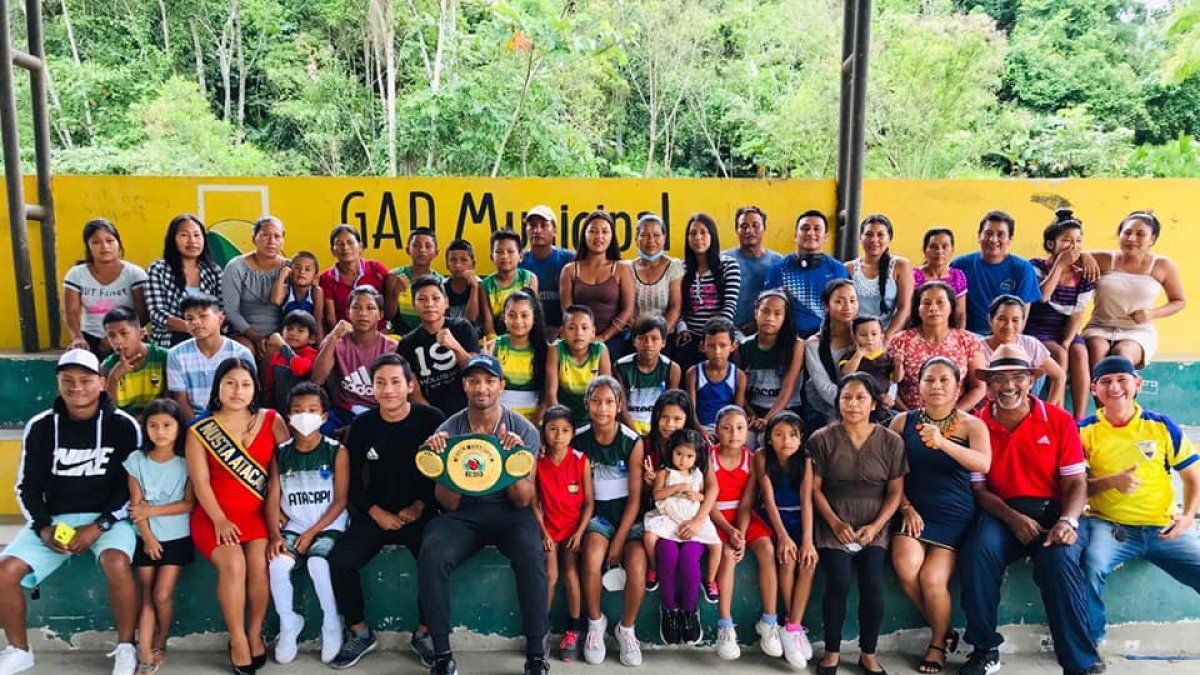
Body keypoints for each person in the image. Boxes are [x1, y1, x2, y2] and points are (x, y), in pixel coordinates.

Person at [957, 344, 1101, 675]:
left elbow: (1076, 483)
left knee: (1060, 560)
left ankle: (1079, 661)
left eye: (1019, 377)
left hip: (1054, 511)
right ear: (988, 386)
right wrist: (1012, 517)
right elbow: (979, 490)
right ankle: (984, 648)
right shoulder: (976, 425)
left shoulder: (1059, 420)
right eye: (1000, 379)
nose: (1009, 386)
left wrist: (1068, 520)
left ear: (1031, 380)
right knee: (977, 554)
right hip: (1000, 511)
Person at [0, 349, 142, 675]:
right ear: (58, 384)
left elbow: (130, 487)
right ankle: (19, 650)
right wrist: (44, 527)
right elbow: (27, 486)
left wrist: (100, 525)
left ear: (102, 383)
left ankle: (125, 647)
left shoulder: (123, 426)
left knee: (116, 563)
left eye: (85, 380)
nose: (76, 387)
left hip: (109, 519)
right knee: (5, 571)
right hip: (57, 519)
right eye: (67, 380)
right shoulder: (41, 426)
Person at [417, 354, 549, 675]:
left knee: (531, 554)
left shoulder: (524, 430)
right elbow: (447, 503)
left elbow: (522, 500)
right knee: (432, 553)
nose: (482, 388)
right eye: (474, 380)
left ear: (501, 386)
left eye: (489, 381)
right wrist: (443, 464)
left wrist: (512, 460)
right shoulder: (449, 429)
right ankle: (442, 656)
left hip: (509, 511)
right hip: (464, 512)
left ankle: (535, 655)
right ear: (464, 385)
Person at [326, 354, 445, 670]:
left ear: (409, 385)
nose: (388, 389)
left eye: (395, 382)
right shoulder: (363, 425)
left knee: (435, 560)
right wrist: (375, 511)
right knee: (339, 561)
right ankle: (360, 632)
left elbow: (445, 474)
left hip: (422, 512)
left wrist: (421, 505)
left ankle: (424, 633)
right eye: (380, 382)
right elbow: (349, 483)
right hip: (377, 513)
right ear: (372, 388)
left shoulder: (431, 420)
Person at [1078, 355, 1200, 645]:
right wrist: (1111, 482)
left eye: (1122, 379)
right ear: (1094, 389)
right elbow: (1076, 490)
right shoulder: (1083, 430)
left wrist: (1187, 517)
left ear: (1137, 383)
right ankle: (1091, 641)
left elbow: (1192, 479)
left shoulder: (1161, 425)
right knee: (1091, 565)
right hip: (1110, 528)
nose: (1115, 387)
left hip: (1163, 528)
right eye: (1106, 381)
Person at [185, 358, 289, 674]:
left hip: (259, 515)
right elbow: (200, 482)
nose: (237, 390)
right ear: (217, 388)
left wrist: (280, 512)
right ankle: (238, 639)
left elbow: (286, 471)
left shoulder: (272, 420)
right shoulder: (200, 430)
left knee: (259, 567)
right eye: (229, 382)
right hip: (214, 516)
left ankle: (255, 633)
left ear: (255, 388)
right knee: (233, 565)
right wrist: (218, 519)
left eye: (245, 383)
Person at [888, 357, 991, 674]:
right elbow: (890, 474)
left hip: (953, 514)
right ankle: (944, 630)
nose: (936, 386)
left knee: (933, 579)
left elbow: (982, 464)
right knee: (906, 568)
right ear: (917, 385)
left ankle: (936, 643)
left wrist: (943, 443)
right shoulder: (901, 422)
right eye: (928, 380)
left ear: (957, 385)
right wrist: (905, 505)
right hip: (913, 510)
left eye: (944, 380)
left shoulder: (972, 424)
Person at [809, 373, 907, 675]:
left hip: (873, 524)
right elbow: (814, 489)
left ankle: (868, 653)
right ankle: (832, 652)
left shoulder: (891, 441)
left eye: (860, 398)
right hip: (832, 521)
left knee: (873, 584)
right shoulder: (822, 438)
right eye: (846, 397)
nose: (852, 404)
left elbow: (895, 492)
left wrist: (877, 526)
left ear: (874, 403)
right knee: (837, 582)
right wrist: (836, 523)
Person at [266, 383, 349, 664]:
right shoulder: (281, 453)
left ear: (325, 417)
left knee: (317, 562)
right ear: (288, 416)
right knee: (277, 564)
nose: (305, 416)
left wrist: (313, 532)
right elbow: (272, 498)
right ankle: (289, 623)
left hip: (328, 524)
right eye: (298, 411)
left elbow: (340, 501)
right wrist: (274, 535)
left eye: (312, 410)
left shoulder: (336, 451)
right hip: (294, 526)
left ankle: (331, 622)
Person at [576, 377, 646, 667]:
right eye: (596, 401)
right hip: (597, 516)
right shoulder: (578, 438)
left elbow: (635, 499)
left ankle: (626, 629)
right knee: (592, 560)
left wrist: (618, 542)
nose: (602, 408)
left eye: (609, 402)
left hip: (629, 516)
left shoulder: (632, 441)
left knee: (638, 568)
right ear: (587, 404)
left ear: (619, 406)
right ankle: (595, 622)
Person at [709, 406, 783, 662]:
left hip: (743, 517)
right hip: (715, 518)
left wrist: (739, 533)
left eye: (740, 428)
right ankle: (725, 625)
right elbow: (708, 503)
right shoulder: (708, 458)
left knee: (766, 549)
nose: (734, 434)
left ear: (747, 430)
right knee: (728, 557)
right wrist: (730, 533)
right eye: (727, 428)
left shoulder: (752, 460)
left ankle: (770, 621)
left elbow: (747, 503)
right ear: (717, 430)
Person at [125, 398, 194, 673]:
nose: (160, 431)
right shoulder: (136, 461)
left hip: (177, 536)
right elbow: (135, 507)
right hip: (146, 538)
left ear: (178, 428)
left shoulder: (186, 462)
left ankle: (161, 641)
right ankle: (144, 651)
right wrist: (148, 538)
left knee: (162, 595)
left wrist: (150, 511)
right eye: (153, 426)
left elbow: (188, 504)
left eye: (167, 425)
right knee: (146, 594)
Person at [642, 429, 720, 646]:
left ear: (697, 457)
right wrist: (676, 487)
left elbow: (705, 495)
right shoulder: (664, 473)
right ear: (671, 452)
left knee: (689, 561)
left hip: (691, 524)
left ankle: (689, 611)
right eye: (679, 454)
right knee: (667, 555)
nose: (683, 460)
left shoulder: (697, 474)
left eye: (689, 456)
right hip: (667, 522)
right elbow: (656, 495)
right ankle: (668, 610)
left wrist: (699, 495)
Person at [1082, 210, 1186, 369]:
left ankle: (1124, 391)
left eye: (1140, 234)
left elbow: (1179, 301)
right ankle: (1095, 392)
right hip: (1099, 326)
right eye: (1127, 232)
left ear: (1152, 239)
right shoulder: (1104, 259)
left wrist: (1152, 313)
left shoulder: (1163, 265)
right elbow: (1066, 255)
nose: (1132, 238)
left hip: (1138, 332)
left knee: (1122, 356)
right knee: (1096, 352)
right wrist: (1084, 256)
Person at [753, 410, 817, 667]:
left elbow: (807, 501)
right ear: (769, 438)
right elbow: (767, 499)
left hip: (800, 519)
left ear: (801, 438)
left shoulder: (806, 460)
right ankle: (792, 626)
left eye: (792, 435)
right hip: (773, 519)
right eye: (778, 435)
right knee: (787, 559)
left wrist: (808, 541)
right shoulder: (761, 457)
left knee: (808, 561)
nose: (786, 440)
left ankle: (792, 625)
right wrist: (782, 537)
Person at [533, 405, 594, 663]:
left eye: (565, 430)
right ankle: (541, 630)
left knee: (571, 574)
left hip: (572, 529)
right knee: (551, 574)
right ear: (544, 431)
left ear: (573, 433)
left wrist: (580, 533)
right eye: (553, 429)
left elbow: (589, 503)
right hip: (547, 528)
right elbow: (534, 502)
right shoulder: (537, 462)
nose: (559, 436)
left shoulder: (580, 460)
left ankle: (574, 630)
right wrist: (544, 531)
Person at [1027, 210, 1095, 419]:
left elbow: (1078, 313)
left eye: (1078, 241)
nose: (1073, 246)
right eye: (1066, 240)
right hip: (1038, 328)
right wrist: (1059, 265)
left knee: (1079, 352)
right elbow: (1043, 296)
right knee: (1059, 353)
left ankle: (1079, 419)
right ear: (1051, 244)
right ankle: (1052, 412)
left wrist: (1067, 340)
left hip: (1064, 329)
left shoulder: (1084, 275)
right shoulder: (1036, 266)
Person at [888, 281, 987, 412]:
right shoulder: (900, 341)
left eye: (940, 302)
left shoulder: (968, 341)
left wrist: (952, 416)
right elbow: (889, 385)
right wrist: (910, 416)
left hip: (957, 418)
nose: (933, 308)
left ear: (951, 307)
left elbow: (979, 387)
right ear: (917, 308)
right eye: (926, 303)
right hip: (908, 417)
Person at [312, 286, 397, 432]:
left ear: (380, 314)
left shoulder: (391, 348)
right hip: (342, 412)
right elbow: (317, 379)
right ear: (348, 313)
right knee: (313, 430)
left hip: (378, 413)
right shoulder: (336, 342)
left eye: (370, 308)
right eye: (356, 307)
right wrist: (333, 336)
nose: (363, 313)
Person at [396, 276, 480, 416]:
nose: (429, 304)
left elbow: (476, 373)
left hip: (469, 412)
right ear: (413, 305)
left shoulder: (462, 328)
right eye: (422, 299)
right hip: (430, 417)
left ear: (446, 302)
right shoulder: (407, 343)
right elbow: (413, 393)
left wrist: (456, 347)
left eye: (435, 298)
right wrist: (434, 418)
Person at [63, 218, 148, 357]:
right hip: (90, 338)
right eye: (96, 242)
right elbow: (71, 312)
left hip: (128, 336)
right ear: (88, 247)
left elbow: (142, 313)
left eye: (109, 241)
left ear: (119, 244)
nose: (104, 247)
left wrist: (114, 338)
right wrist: (77, 338)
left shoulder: (134, 274)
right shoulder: (76, 274)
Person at [166, 294, 256, 420]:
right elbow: (180, 400)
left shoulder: (240, 354)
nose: (196, 322)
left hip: (233, 419)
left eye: (203, 316)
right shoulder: (176, 355)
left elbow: (248, 397)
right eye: (189, 319)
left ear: (220, 318)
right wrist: (198, 429)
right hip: (194, 423)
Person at [951, 210, 1041, 336]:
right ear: (979, 236)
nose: (993, 240)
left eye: (1000, 234)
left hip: (1005, 337)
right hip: (968, 337)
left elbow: (1021, 318)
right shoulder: (960, 265)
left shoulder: (1023, 269)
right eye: (988, 233)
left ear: (1009, 239)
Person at [560, 210, 635, 360]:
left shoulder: (622, 269)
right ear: (584, 235)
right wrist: (583, 338)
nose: (599, 236)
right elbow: (567, 310)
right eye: (593, 231)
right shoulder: (570, 270)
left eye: (605, 231)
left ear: (612, 236)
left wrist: (603, 337)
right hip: (578, 339)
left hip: (614, 338)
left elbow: (628, 310)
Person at [764, 210, 849, 338]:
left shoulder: (837, 269)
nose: (810, 233)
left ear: (825, 237)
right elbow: (769, 307)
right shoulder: (779, 269)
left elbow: (845, 309)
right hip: (788, 340)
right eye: (805, 228)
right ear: (795, 235)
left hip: (826, 340)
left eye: (817, 229)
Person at [674, 213, 742, 372]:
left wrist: (709, 337)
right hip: (690, 336)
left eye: (703, 232)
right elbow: (678, 308)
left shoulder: (728, 266)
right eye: (693, 233)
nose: (698, 237)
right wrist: (682, 329)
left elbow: (729, 306)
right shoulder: (680, 269)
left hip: (720, 335)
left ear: (713, 235)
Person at [146, 214, 223, 347]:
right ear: (173, 239)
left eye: (197, 235)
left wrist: (207, 329)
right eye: (184, 235)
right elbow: (156, 312)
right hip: (171, 336)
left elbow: (222, 307)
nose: (192, 241)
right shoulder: (158, 269)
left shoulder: (213, 270)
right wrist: (192, 327)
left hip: (209, 334)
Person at [980, 295, 1066, 408]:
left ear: (1023, 321)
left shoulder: (1030, 344)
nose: (1009, 326)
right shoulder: (977, 347)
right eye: (1002, 319)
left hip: (1021, 408)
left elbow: (1059, 376)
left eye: (1015, 320)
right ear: (990, 320)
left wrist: (1048, 410)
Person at [740, 289, 805, 437]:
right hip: (754, 411)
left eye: (777, 314)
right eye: (765, 312)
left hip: (786, 410)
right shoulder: (743, 346)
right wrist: (750, 414)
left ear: (785, 317)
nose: (770, 318)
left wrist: (768, 419)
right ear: (756, 312)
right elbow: (739, 388)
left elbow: (788, 387)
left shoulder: (796, 345)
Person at [222, 215, 287, 359]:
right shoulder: (236, 267)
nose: (271, 241)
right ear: (254, 239)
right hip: (242, 333)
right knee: (245, 351)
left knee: (274, 351)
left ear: (283, 242)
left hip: (280, 334)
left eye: (277, 236)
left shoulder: (290, 268)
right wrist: (255, 337)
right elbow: (231, 311)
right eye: (265, 235)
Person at [803, 279, 859, 429]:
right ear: (827, 306)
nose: (848, 307)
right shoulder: (814, 344)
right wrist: (853, 404)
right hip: (823, 409)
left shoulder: (867, 337)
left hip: (863, 407)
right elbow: (824, 388)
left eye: (853, 300)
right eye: (839, 301)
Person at [846, 214, 912, 340]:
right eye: (869, 234)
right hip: (856, 337)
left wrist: (887, 338)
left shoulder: (900, 266)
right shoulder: (849, 268)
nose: (874, 240)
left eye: (880, 235)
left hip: (889, 336)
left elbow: (905, 308)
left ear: (889, 238)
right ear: (860, 237)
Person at [545, 305, 611, 428]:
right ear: (562, 332)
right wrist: (562, 424)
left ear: (593, 332)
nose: (579, 333)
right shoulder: (555, 349)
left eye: (584, 328)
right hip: (562, 416)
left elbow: (606, 392)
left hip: (592, 418)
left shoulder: (600, 350)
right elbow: (550, 393)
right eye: (571, 328)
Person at [319, 224, 393, 332]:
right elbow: (331, 319)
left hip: (379, 333)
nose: (345, 248)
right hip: (345, 337)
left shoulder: (375, 269)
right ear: (333, 250)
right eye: (340, 244)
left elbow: (390, 301)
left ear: (361, 247)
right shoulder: (327, 278)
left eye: (350, 242)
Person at [614, 316, 681, 436]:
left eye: (654, 339)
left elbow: (671, 406)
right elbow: (621, 408)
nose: (648, 344)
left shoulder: (672, 369)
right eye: (642, 338)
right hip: (629, 425)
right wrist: (635, 435)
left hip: (658, 426)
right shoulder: (621, 367)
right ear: (634, 341)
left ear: (663, 342)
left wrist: (655, 434)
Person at [492, 290, 550, 424]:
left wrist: (533, 425)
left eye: (524, 315)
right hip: (498, 418)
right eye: (512, 315)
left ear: (534, 318)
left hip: (534, 421)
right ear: (504, 317)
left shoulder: (544, 350)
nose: (518, 321)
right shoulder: (495, 346)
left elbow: (548, 395)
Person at [723, 206, 783, 333]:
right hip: (727, 333)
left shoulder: (778, 262)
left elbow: (782, 301)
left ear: (764, 229)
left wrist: (757, 323)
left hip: (766, 333)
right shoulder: (723, 260)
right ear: (736, 230)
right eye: (743, 226)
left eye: (755, 225)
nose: (749, 231)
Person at [102, 307, 169, 416]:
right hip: (124, 423)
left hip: (157, 420)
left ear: (141, 334)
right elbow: (108, 412)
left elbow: (170, 402)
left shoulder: (163, 357)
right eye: (111, 336)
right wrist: (114, 377)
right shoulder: (107, 366)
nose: (117, 341)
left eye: (124, 333)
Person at [520, 205, 575, 336]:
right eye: (532, 226)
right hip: (528, 332)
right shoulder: (519, 262)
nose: (537, 230)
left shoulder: (569, 259)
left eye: (544, 225)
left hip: (563, 332)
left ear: (554, 230)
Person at [686, 318, 746, 433]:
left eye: (723, 346)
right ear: (702, 346)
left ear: (733, 346)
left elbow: (738, 413)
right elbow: (691, 412)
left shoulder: (739, 376)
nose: (717, 351)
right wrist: (701, 430)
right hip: (700, 428)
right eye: (711, 346)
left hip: (728, 429)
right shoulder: (693, 373)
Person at [630, 213, 684, 335]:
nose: (651, 240)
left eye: (656, 235)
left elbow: (675, 307)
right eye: (644, 235)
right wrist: (640, 336)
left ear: (664, 238)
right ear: (636, 239)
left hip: (665, 336)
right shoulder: (628, 268)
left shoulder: (674, 267)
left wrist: (660, 337)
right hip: (636, 336)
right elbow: (628, 309)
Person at [481, 230, 538, 338]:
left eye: (510, 251)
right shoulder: (485, 285)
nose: (504, 256)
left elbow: (532, 313)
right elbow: (488, 321)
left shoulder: (529, 278)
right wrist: (495, 344)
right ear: (492, 257)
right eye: (499, 252)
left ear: (520, 256)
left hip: (525, 334)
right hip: (498, 336)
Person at [387, 227, 444, 335]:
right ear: (408, 250)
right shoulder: (395, 276)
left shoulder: (440, 281)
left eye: (428, 246)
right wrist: (395, 293)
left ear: (436, 252)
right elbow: (388, 316)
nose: (422, 250)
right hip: (400, 335)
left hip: (429, 334)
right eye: (416, 245)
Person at [840, 317, 902, 411]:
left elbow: (896, 379)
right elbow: (846, 373)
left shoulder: (887, 357)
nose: (869, 339)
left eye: (874, 334)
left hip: (882, 401)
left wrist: (898, 366)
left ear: (881, 336)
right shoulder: (850, 356)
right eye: (863, 335)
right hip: (857, 401)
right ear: (855, 337)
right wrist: (859, 354)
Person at [263, 310, 319, 413]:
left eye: (300, 331)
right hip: (279, 410)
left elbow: (299, 368)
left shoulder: (313, 355)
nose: (293, 333)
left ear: (312, 338)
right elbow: (269, 386)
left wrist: (283, 346)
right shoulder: (277, 356)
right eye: (289, 329)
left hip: (303, 412)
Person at [913, 228, 968, 330]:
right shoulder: (913, 275)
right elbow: (908, 311)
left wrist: (958, 338)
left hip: (949, 333)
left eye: (945, 246)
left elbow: (960, 315)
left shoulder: (957, 276)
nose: (939, 251)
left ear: (952, 250)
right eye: (933, 247)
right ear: (925, 250)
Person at [271, 250, 326, 344]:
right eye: (297, 268)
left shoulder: (316, 292)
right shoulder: (286, 289)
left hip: (307, 340)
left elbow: (318, 321)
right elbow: (276, 300)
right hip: (286, 338)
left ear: (315, 276)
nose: (302, 272)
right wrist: (282, 277)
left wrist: (320, 348)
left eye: (307, 269)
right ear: (290, 271)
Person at [444, 239, 483, 329]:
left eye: (463, 260)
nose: (458, 265)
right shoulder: (442, 286)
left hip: (475, 334)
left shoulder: (480, 285)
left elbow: (471, 318)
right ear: (447, 264)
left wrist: (474, 287)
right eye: (453, 260)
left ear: (473, 264)